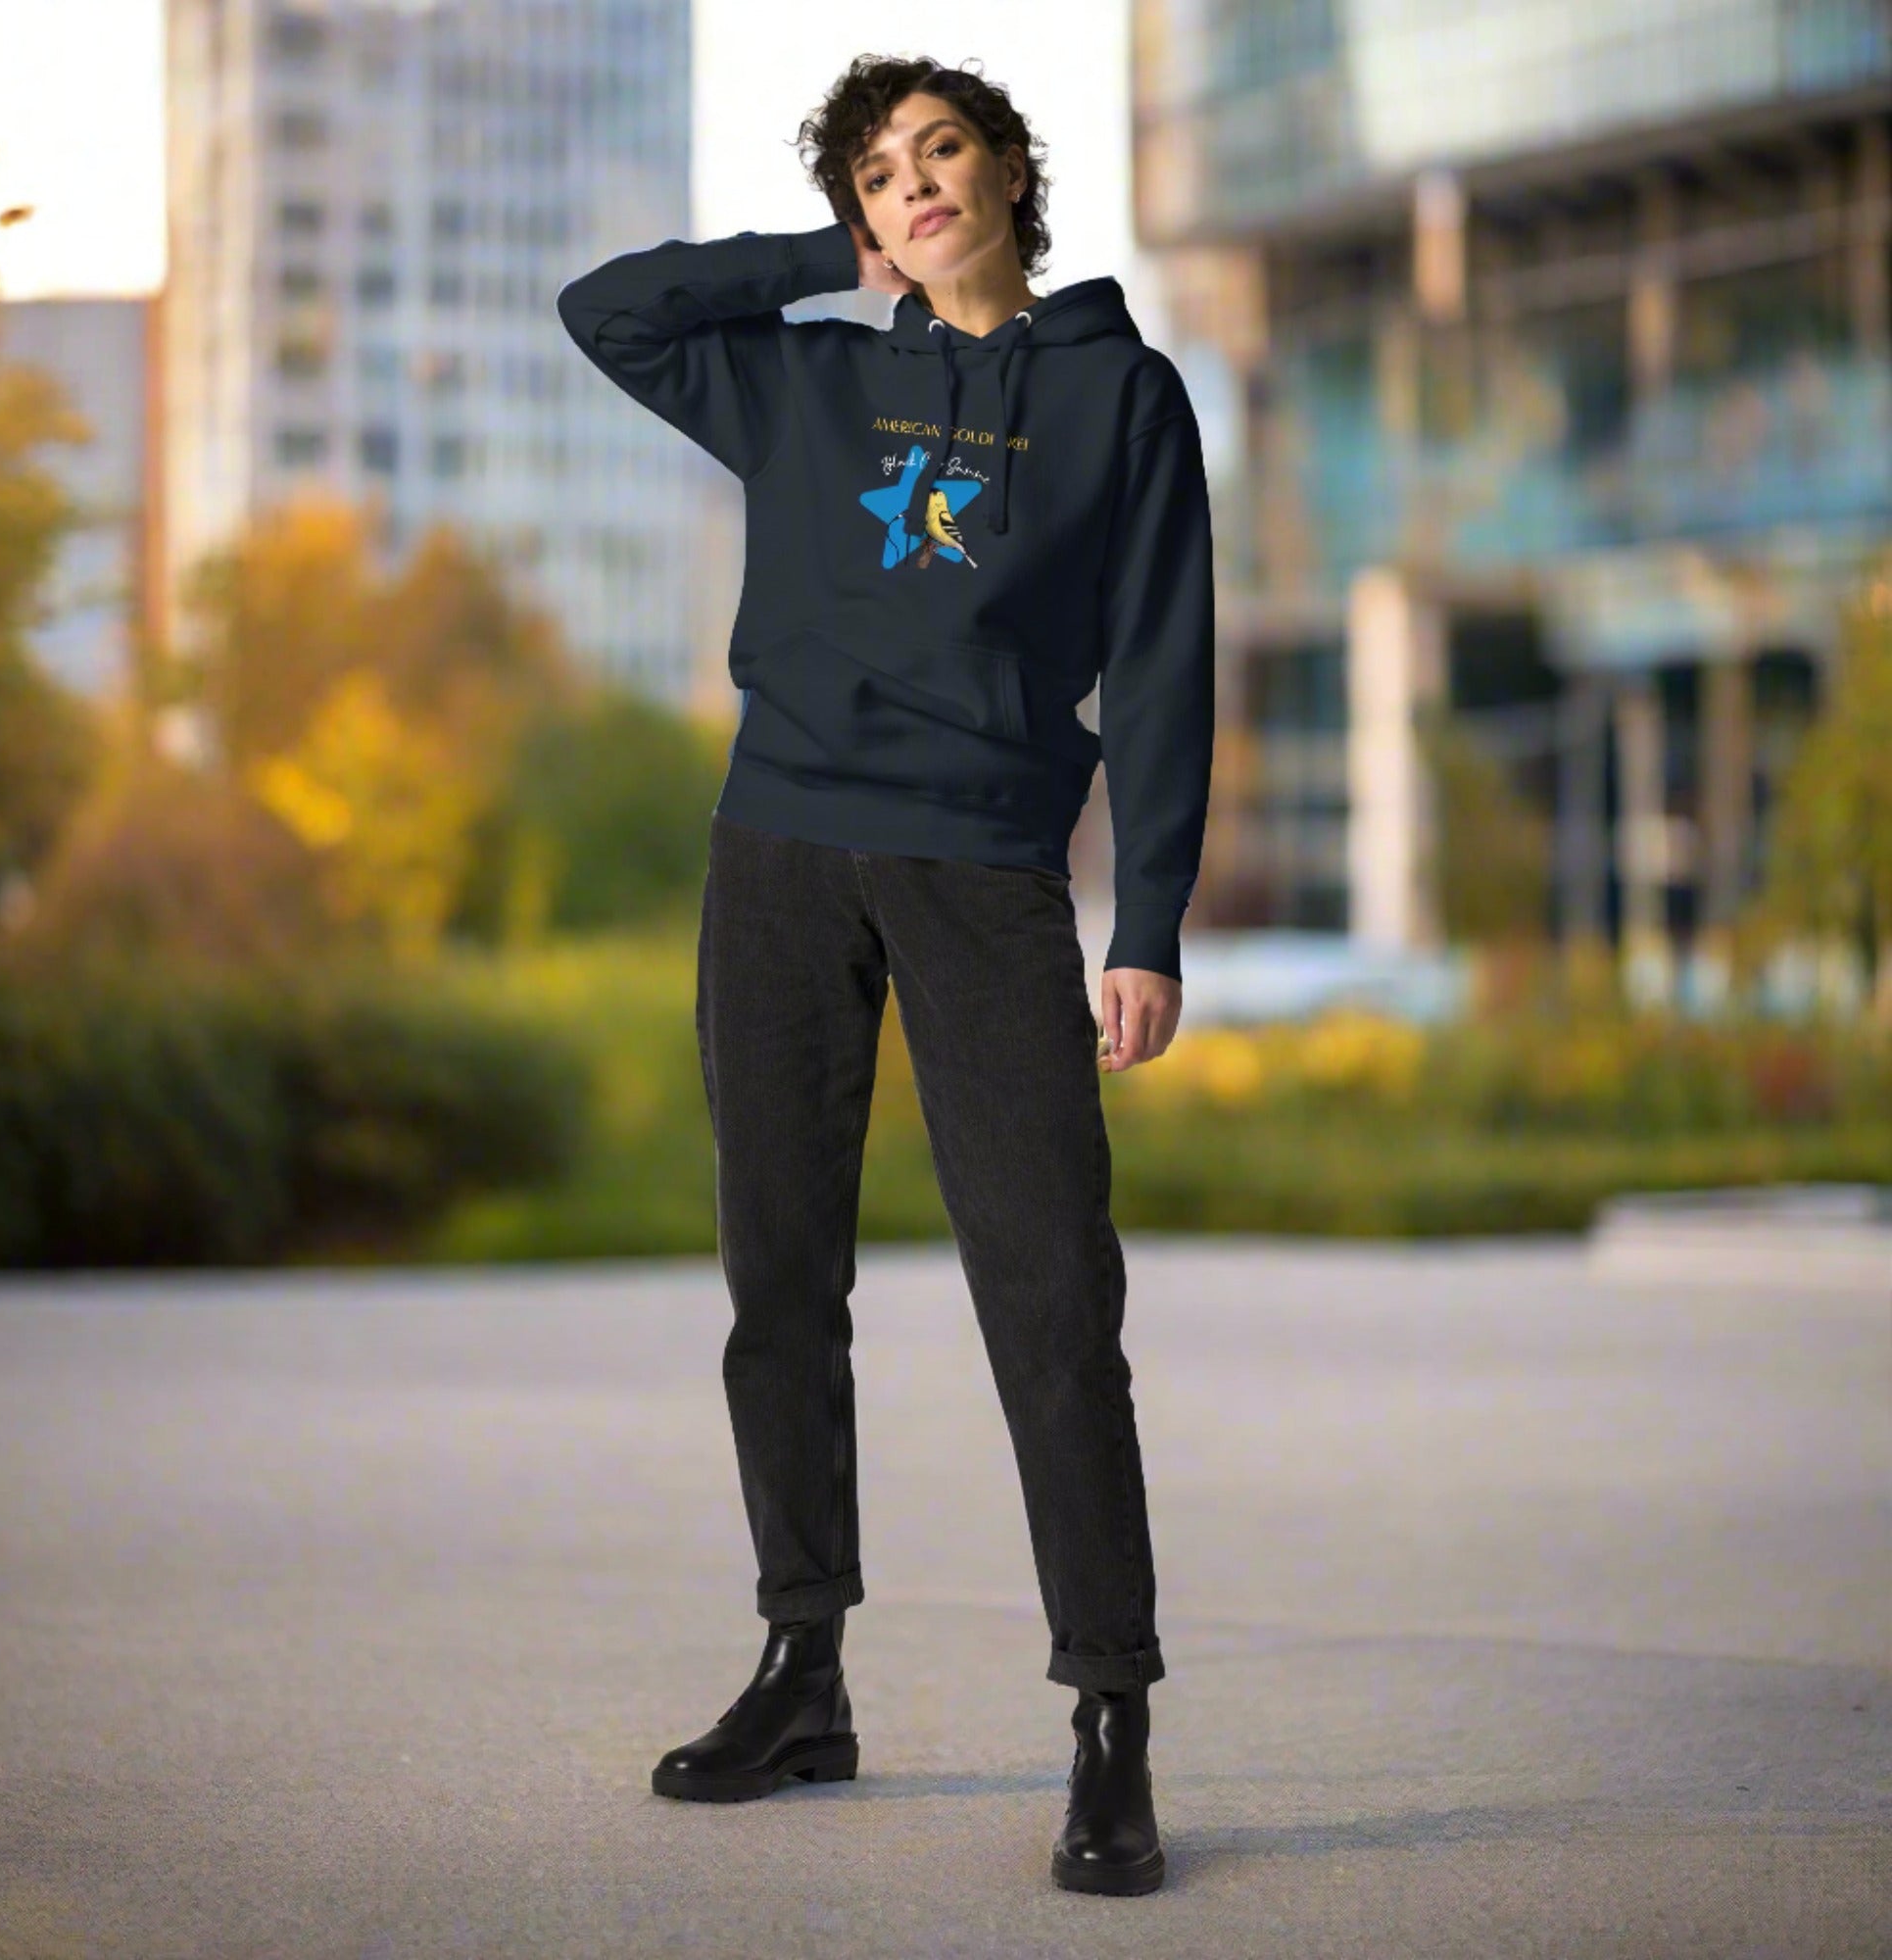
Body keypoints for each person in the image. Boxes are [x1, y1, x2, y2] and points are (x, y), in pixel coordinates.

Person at [557, 53, 1213, 1897]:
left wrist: (1145, 917)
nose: (914, 184)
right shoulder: (813, 370)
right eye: (878, 170)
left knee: (1049, 1293)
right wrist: (821, 254)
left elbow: (1164, 665)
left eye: (940, 150)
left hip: (983, 866)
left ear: (1011, 168)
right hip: (773, 852)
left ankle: (1110, 1720)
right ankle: (802, 1671)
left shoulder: (1119, 397)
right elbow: (607, 310)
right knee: (779, 1272)